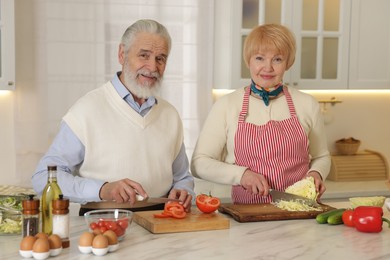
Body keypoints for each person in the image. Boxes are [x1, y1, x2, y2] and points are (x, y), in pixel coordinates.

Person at [32, 19, 194, 215]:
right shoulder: (87, 110)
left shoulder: (170, 115)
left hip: (161, 220)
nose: (152, 67)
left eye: (160, 58)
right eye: (144, 55)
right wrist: (102, 189)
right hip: (102, 221)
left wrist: (184, 190)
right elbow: (43, 178)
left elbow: (182, 176)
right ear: (121, 54)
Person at [191, 24, 330, 204]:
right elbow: (199, 163)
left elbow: (322, 156)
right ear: (248, 60)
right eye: (259, 58)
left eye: (277, 59)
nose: (268, 68)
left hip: (300, 212)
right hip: (248, 218)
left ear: (288, 62)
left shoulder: (307, 104)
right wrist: (241, 175)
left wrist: (316, 173)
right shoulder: (227, 105)